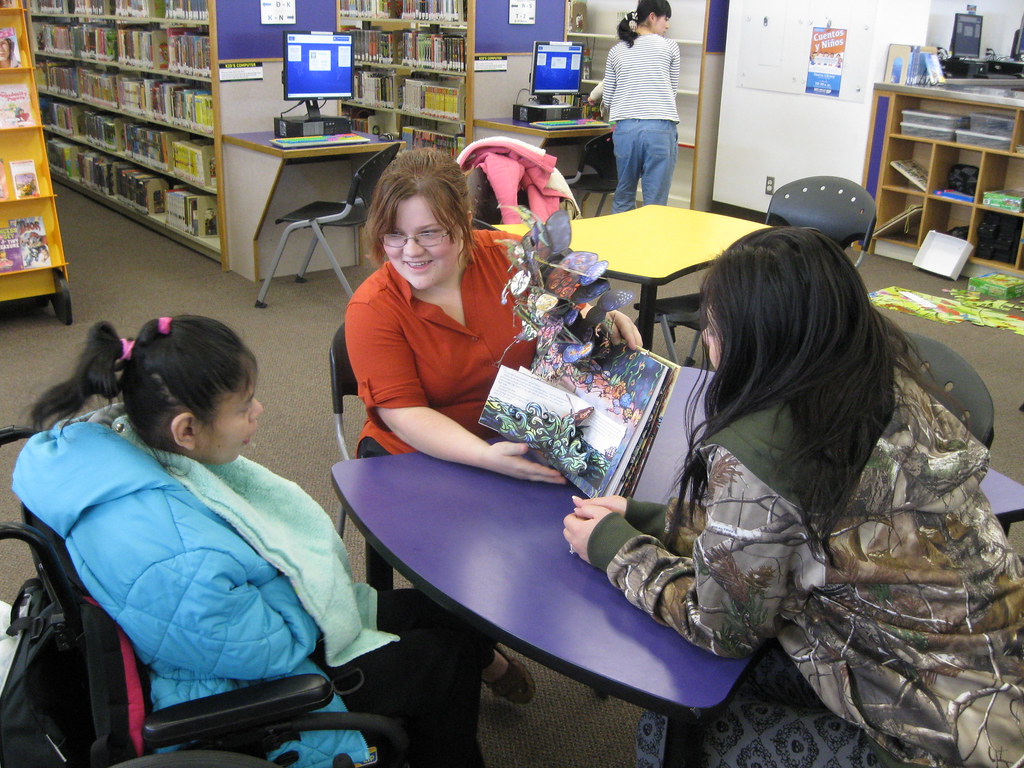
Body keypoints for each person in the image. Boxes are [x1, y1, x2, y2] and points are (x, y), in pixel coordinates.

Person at [562, 228, 1024, 768]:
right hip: (996, 669)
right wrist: (657, 519)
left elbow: (720, 628)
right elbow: (791, 525)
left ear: (758, 338)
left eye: (714, 327)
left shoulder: (761, 447)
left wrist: (617, 549)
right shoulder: (883, 377)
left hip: (936, 740)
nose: (707, 341)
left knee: (662, 729)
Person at [12, 315, 532, 768]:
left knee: (438, 608)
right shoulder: (177, 555)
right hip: (252, 685)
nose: (259, 411)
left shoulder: (127, 450)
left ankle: (475, 673)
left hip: (244, 631)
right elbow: (268, 651)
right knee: (443, 662)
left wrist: (306, 583)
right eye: (243, 407)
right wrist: (310, 586)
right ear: (186, 431)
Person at [345, 147, 641, 480]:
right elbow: (403, 414)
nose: (411, 250)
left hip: (521, 440)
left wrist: (600, 319)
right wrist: (484, 456)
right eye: (395, 234)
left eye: (429, 233)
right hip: (415, 457)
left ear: (465, 223)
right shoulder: (373, 308)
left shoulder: (509, 257)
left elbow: (564, 307)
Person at [602, 0, 679, 213]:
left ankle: (620, 235)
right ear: (652, 17)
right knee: (655, 204)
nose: (667, 25)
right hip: (660, 129)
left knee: (623, 195)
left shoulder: (616, 51)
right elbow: (671, 91)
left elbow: (608, 97)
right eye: (665, 19)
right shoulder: (670, 47)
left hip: (626, 130)